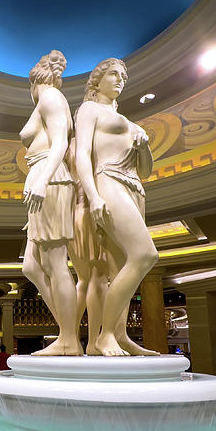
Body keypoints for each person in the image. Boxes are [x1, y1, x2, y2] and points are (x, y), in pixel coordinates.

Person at [75, 58, 159, 356]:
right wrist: (93, 195)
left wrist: (144, 145)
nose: (120, 79)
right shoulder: (89, 110)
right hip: (107, 179)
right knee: (145, 254)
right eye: (113, 74)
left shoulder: (131, 123)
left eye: (123, 75)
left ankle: (120, 335)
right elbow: (83, 155)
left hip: (135, 186)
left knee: (121, 267)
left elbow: (146, 170)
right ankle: (105, 335)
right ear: (97, 81)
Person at [20, 50, 82, 356]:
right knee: (31, 267)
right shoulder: (46, 101)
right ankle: (66, 329)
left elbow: (60, 143)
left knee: (57, 263)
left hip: (50, 176)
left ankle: (69, 339)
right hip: (42, 177)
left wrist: (43, 181)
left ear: (35, 79)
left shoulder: (51, 98)